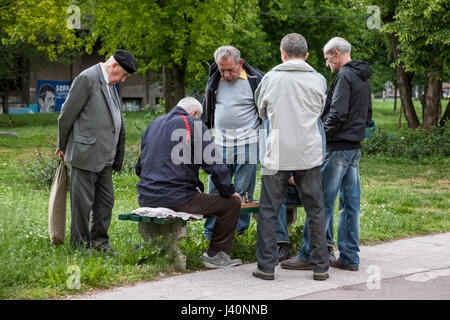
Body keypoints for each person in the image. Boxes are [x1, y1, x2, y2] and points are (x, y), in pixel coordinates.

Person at [253, 33, 329, 281]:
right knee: (315, 209)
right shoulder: (318, 79)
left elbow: (261, 111)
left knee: (268, 210)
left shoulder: (270, 78)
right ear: (306, 55)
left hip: (276, 150)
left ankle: (265, 267)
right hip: (308, 150)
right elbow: (320, 111)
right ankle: (320, 267)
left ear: (282, 53)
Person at [136, 97, 243, 269]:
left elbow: (139, 168)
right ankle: (215, 255)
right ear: (194, 113)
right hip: (178, 199)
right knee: (232, 204)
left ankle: (155, 248)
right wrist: (229, 191)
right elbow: (214, 164)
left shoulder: (154, 124)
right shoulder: (193, 124)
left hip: (145, 197)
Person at [295, 37, 372, 272]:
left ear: (336, 53)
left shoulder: (345, 76)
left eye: (328, 59)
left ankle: (309, 254)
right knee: (350, 205)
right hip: (354, 148)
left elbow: (336, 113)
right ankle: (349, 257)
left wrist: (320, 137)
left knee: (321, 203)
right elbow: (368, 114)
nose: (327, 64)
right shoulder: (362, 76)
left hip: (337, 148)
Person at [56, 49, 138, 251]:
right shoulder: (87, 78)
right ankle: (80, 246)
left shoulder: (110, 83)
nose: (124, 80)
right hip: (86, 154)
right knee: (82, 205)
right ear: (115, 66)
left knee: (105, 203)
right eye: (124, 75)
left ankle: (100, 243)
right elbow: (67, 114)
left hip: (106, 158)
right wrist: (62, 145)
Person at [201, 46, 263, 239]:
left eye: (230, 69)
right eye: (222, 69)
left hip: (249, 142)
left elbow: (264, 110)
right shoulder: (214, 81)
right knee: (216, 189)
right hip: (220, 143)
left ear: (240, 63)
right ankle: (211, 233)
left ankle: (239, 233)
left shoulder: (256, 80)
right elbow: (207, 111)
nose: (226, 74)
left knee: (243, 191)